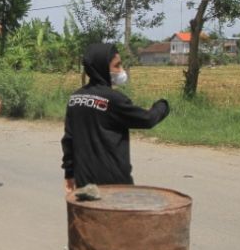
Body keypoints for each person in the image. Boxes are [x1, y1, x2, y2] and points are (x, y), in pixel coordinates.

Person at [61, 43, 170, 192]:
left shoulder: (75, 98)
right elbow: (147, 119)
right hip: (115, 185)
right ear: (102, 67)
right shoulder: (114, 100)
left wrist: (69, 173)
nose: (121, 70)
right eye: (117, 66)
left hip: (85, 186)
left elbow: (69, 139)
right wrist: (163, 105)